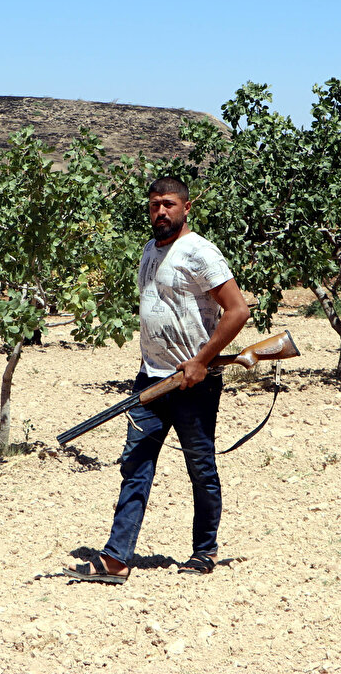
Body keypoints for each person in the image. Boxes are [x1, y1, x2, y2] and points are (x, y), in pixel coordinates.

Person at [65, 176, 249, 584]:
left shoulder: (200, 252)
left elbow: (237, 311)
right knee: (136, 464)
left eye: (168, 204)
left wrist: (201, 361)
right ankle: (116, 558)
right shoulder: (150, 249)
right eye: (153, 205)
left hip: (193, 383)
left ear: (186, 208)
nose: (160, 212)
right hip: (152, 380)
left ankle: (204, 552)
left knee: (200, 467)